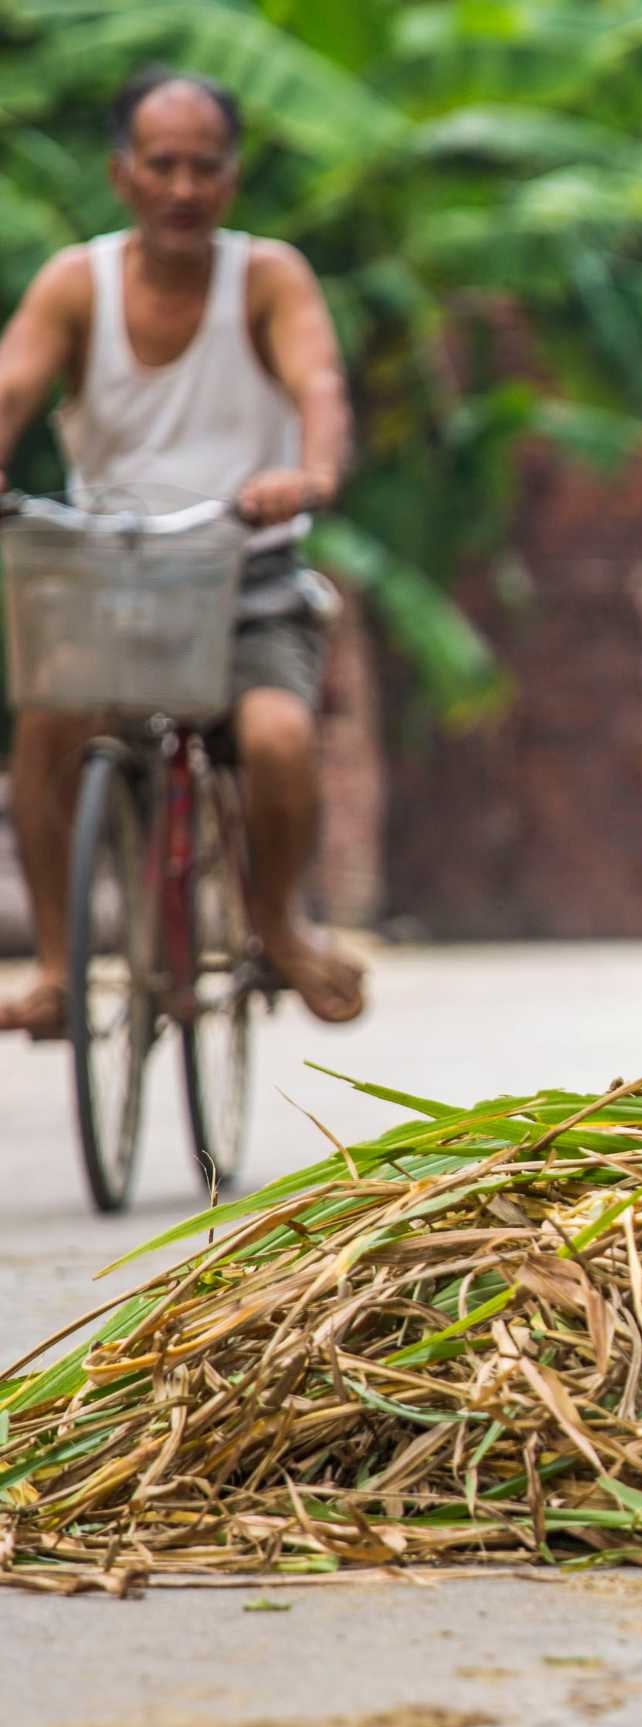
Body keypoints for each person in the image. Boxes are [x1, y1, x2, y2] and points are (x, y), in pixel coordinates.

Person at [0, 66, 363, 1035]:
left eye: (205, 167)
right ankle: (57, 969)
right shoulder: (76, 284)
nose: (183, 188)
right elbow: (11, 386)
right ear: (122, 174)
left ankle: (276, 922)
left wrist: (310, 473)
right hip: (110, 571)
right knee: (47, 721)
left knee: (279, 738)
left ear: (231, 179)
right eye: (162, 165)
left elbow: (319, 382)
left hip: (247, 572)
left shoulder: (268, 277)